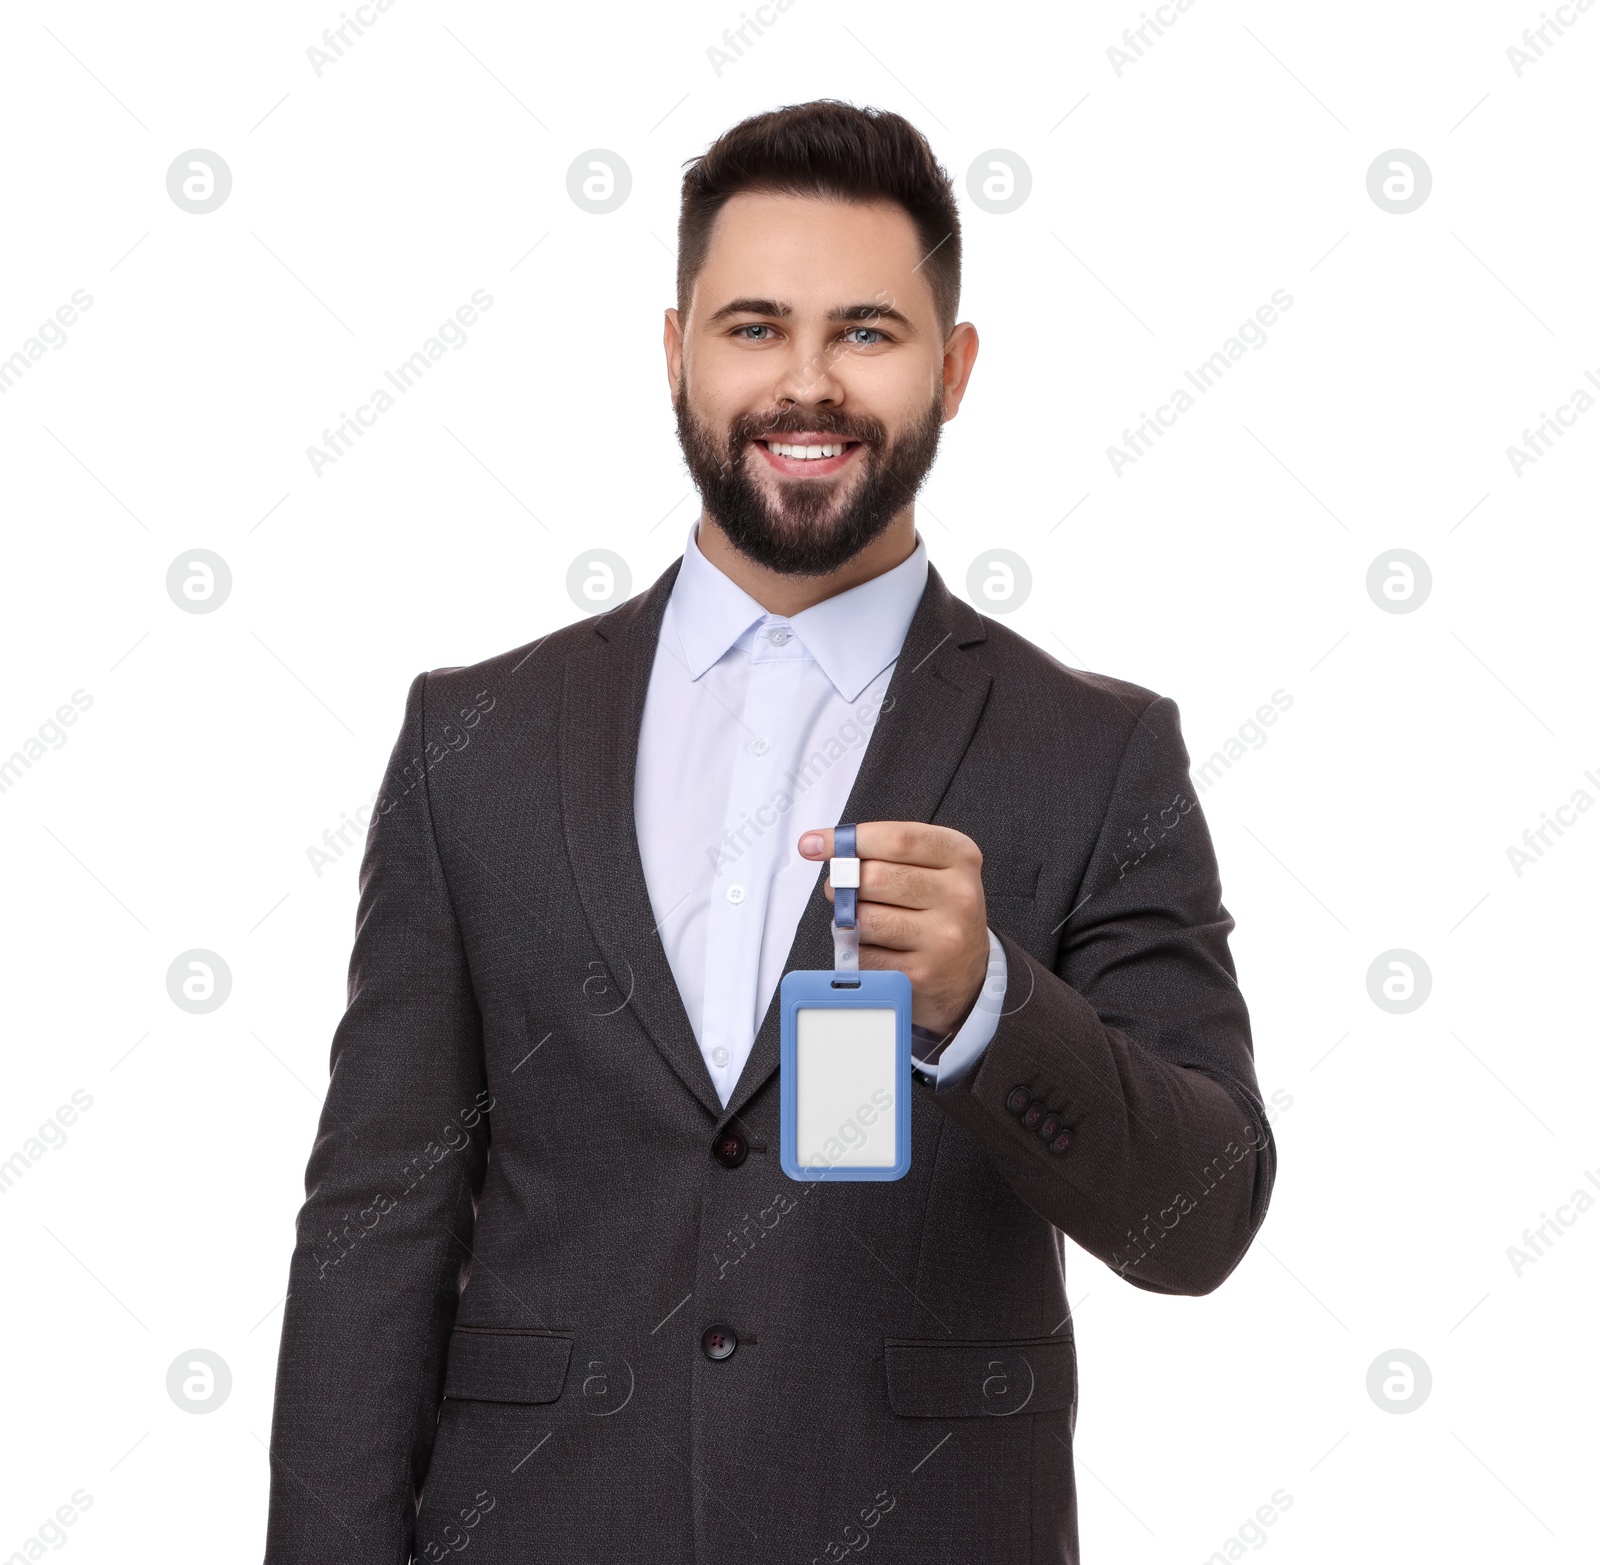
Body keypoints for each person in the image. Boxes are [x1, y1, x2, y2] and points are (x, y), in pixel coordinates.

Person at [263, 98, 1275, 1565]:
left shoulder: (1099, 753)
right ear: (675, 349)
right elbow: (377, 1224)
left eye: (867, 331)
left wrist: (989, 1004)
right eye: (754, 328)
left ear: (956, 366)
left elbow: (1203, 1216)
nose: (808, 382)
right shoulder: (472, 740)